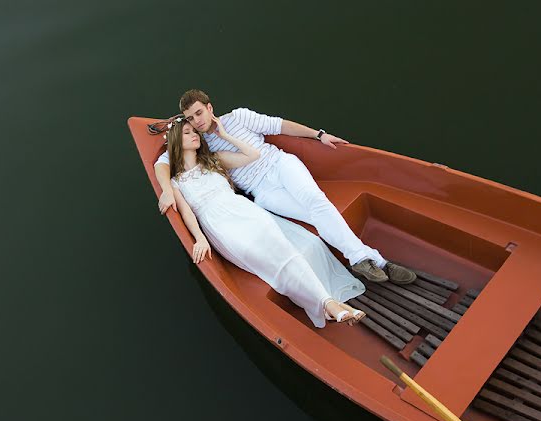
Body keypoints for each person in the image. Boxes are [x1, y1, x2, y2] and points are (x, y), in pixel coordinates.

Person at [155, 89, 416, 285]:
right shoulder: (199, 145)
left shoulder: (239, 117)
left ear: (210, 108)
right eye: (190, 118)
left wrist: (319, 135)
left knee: (316, 202)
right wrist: (167, 189)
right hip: (262, 192)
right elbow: (163, 161)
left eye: (199, 113)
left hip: (280, 165)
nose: (197, 121)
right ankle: (374, 260)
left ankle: (365, 260)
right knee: (313, 214)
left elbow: (280, 125)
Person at [160, 113, 366, 328]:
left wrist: (225, 135)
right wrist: (200, 239)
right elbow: (187, 213)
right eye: (187, 132)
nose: (195, 134)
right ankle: (328, 304)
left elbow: (252, 154)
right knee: (275, 263)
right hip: (221, 227)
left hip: (246, 212)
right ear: (176, 141)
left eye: (194, 131)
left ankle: (330, 304)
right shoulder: (175, 182)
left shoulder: (213, 159)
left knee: (291, 249)